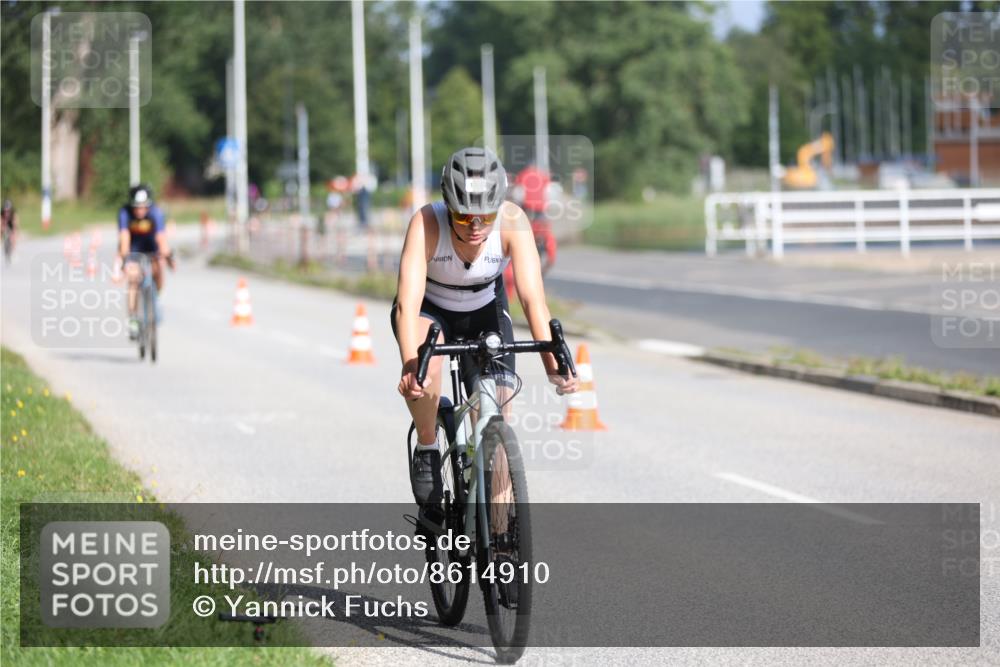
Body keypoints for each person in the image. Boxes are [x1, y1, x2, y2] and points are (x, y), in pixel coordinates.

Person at [392, 147, 578, 507]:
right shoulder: (426, 223)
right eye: (463, 219)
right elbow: (406, 305)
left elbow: (532, 299)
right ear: (448, 206)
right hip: (432, 311)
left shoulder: (513, 221)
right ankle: (428, 443)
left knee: (495, 427)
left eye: (485, 217)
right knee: (427, 370)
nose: (475, 227)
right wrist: (411, 367)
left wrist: (553, 366)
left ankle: (501, 539)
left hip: (485, 311)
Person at [116, 184, 172, 339]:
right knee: (133, 279)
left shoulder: (156, 212)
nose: (140, 210)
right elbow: (124, 237)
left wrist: (166, 254)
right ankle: (133, 319)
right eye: (137, 207)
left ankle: (155, 299)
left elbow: (161, 237)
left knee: (159, 268)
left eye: (143, 207)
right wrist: (125, 259)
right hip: (133, 247)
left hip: (151, 245)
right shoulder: (125, 213)